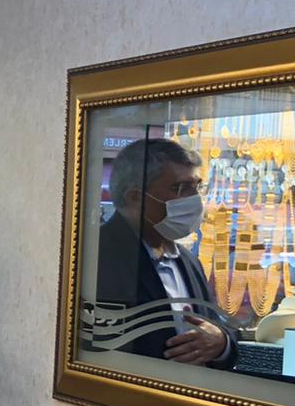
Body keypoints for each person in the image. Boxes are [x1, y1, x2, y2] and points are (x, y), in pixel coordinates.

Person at [95, 137, 234, 367]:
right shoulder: (96, 256)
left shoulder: (188, 260)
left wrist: (221, 342)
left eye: (197, 187)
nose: (194, 199)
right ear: (135, 197)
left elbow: (216, 325)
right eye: (180, 188)